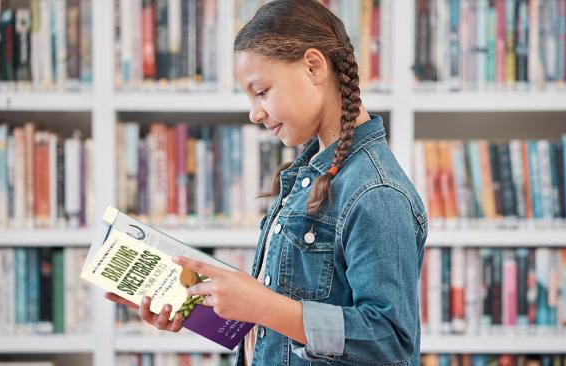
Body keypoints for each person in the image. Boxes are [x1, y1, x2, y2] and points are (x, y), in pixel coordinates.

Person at [105, 0, 428, 364]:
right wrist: (197, 302)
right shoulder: (308, 174)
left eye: (261, 92)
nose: (254, 114)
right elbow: (286, 320)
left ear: (313, 66)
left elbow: (391, 341)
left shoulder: (376, 192)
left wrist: (263, 305)